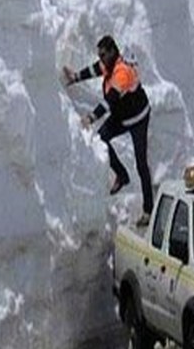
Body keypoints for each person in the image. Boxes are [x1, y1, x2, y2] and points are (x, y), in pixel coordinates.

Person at [62, 35, 153, 226]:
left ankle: (148, 210)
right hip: (122, 115)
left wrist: (91, 117)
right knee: (102, 138)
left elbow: (109, 100)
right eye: (99, 55)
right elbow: (96, 69)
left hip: (137, 118)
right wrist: (75, 77)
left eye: (103, 55)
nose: (101, 59)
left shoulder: (122, 72)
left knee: (141, 163)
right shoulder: (109, 64)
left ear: (112, 52)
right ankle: (122, 175)